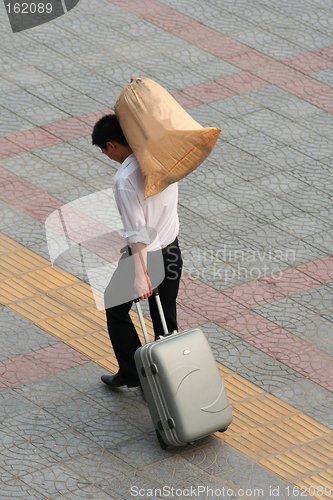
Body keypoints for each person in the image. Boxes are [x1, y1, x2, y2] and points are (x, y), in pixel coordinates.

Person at [91, 114, 183, 388]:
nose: (108, 156)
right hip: (173, 250)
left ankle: (134, 373)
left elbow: (137, 231)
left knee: (114, 305)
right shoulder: (162, 153)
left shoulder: (125, 178)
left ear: (111, 145)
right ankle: (173, 379)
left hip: (148, 256)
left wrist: (141, 273)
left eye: (105, 152)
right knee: (165, 318)